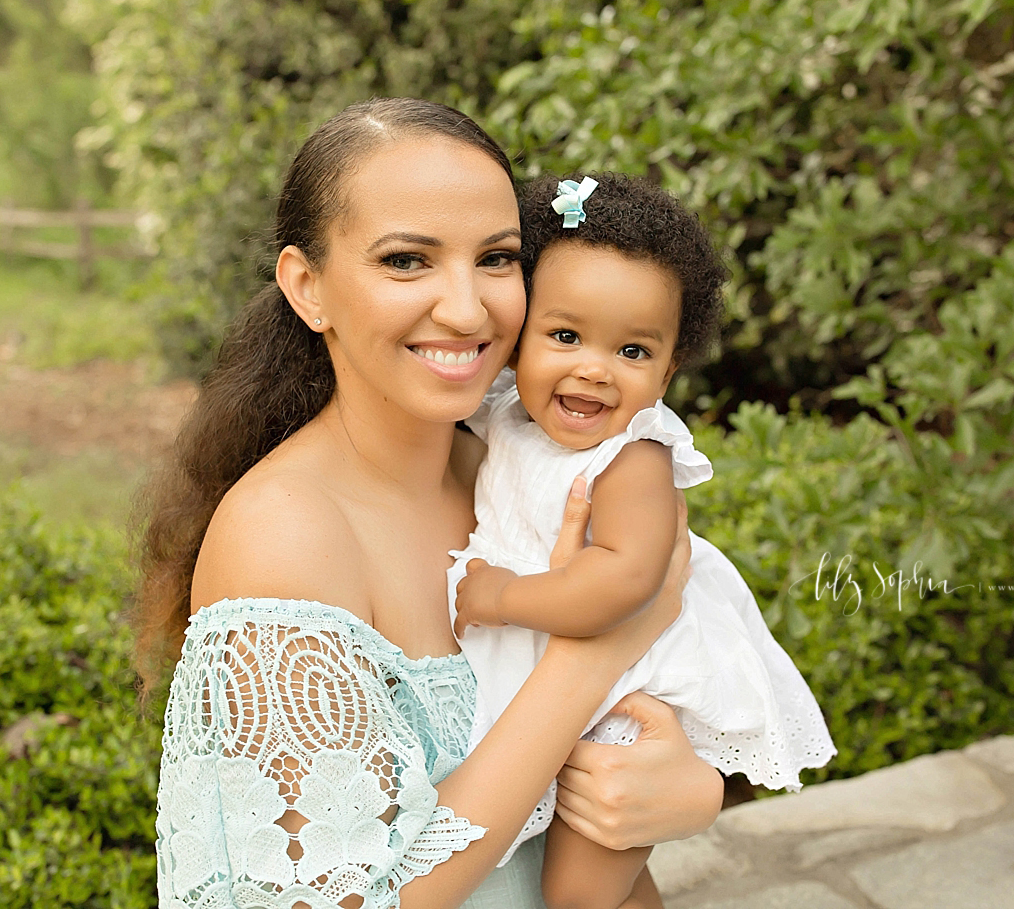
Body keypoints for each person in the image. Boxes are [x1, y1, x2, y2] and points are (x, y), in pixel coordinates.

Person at [132, 99, 724, 909]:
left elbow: (616, 751)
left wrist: (682, 788)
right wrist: (587, 659)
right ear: (309, 288)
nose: (467, 307)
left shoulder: (517, 471)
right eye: (407, 260)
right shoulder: (287, 538)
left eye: (496, 258)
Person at [449, 173, 837, 909]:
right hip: (558, 666)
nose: (594, 367)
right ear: (516, 340)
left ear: (667, 370)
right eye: (564, 336)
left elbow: (629, 581)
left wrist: (501, 594)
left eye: (632, 351)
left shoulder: (633, 458)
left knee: (579, 890)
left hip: (629, 693)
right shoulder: (504, 415)